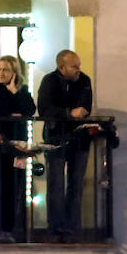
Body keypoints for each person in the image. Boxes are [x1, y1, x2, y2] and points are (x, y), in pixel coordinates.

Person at [37, 49, 94, 242]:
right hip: (56, 137)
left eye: (79, 65)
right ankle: (55, 228)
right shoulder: (49, 81)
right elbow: (45, 109)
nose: (79, 69)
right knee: (56, 184)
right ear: (61, 67)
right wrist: (69, 113)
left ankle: (71, 228)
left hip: (79, 137)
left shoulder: (84, 81)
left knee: (76, 184)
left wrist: (72, 113)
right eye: (74, 66)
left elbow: (85, 108)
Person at [0, 55, 36, 243]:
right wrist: (10, 110)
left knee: (13, 187)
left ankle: (9, 229)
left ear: (14, 73)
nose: (1, 73)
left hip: (16, 146)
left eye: (6, 70)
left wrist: (13, 92)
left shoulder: (21, 89)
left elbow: (29, 109)